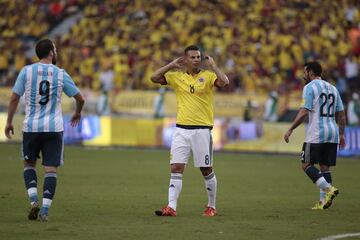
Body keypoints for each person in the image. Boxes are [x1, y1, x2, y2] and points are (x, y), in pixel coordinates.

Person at [4, 39, 85, 221]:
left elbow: (14, 98)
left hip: (31, 127)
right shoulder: (60, 73)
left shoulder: (26, 71)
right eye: (55, 50)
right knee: (50, 170)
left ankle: (33, 202)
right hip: (53, 128)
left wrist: (9, 121)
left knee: (29, 165)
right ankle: (45, 211)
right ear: (50, 53)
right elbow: (80, 98)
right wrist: (77, 113)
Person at [151, 45, 229, 217]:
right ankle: (171, 207)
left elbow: (224, 82)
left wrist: (214, 67)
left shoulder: (208, 76)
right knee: (176, 167)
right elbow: (154, 77)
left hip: (201, 130)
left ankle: (211, 206)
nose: (196, 60)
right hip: (181, 130)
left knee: (206, 169)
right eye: (192, 57)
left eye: (198, 57)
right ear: (185, 59)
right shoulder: (177, 77)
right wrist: (171, 65)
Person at [284, 61, 346, 210]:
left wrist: (291, 128)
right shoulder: (333, 88)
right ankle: (323, 202)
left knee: (306, 165)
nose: (303, 75)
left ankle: (328, 189)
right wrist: (341, 134)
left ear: (311, 73)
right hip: (332, 133)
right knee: (325, 167)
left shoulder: (309, 88)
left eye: (305, 72)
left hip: (317, 133)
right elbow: (342, 115)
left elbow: (304, 111)